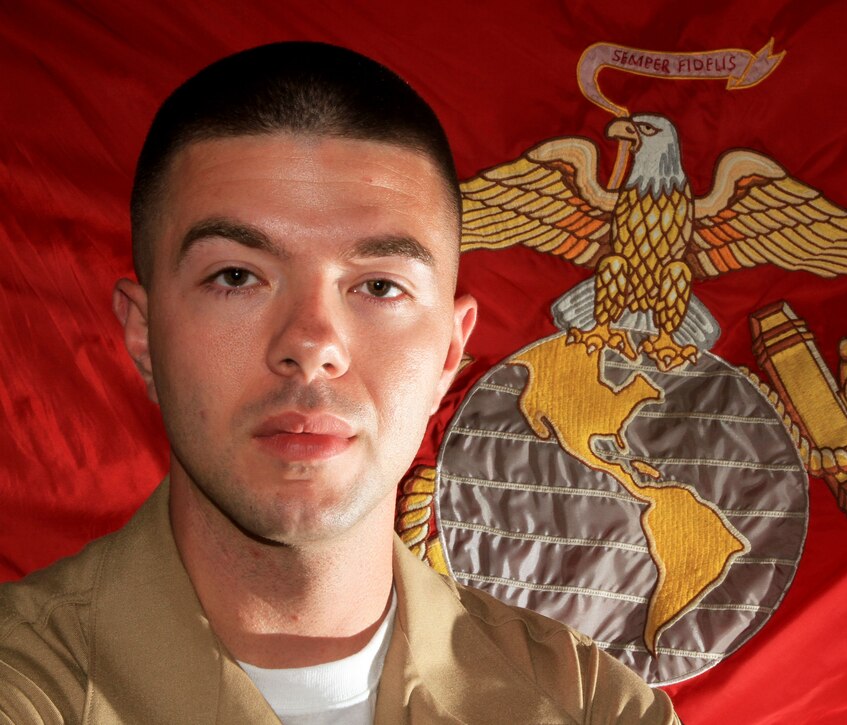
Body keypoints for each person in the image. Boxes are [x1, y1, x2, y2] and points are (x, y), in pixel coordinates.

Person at [0, 42, 679, 724]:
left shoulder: (596, 708)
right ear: (144, 337)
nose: (312, 345)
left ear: (451, 350)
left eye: (380, 285)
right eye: (237, 276)